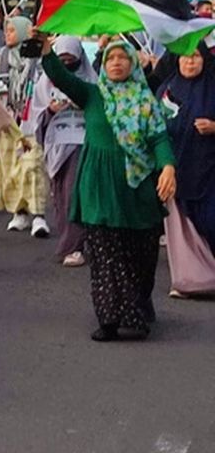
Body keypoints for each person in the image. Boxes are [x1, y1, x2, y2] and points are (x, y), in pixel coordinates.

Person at [39, 34, 175, 340]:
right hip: (98, 187)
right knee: (104, 254)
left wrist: (168, 166)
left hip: (137, 188)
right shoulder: (93, 95)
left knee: (141, 253)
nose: (116, 63)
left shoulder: (146, 102)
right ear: (103, 64)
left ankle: (138, 304)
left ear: (133, 64)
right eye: (111, 58)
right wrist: (47, 50)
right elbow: (60, 76)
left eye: (122, 58)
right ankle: (112, 318)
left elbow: (159, 139)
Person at [157, 46, 215, 297]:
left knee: (211, 221)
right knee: (182, 229)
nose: (190, 62)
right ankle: (191, 281)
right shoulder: (166, 90)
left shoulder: (212, 87)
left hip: (209, 170)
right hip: (175, 169)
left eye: (196, 57)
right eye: (185, 57)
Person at [31, 37, 94, 266]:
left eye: (72, 60)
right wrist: (50, 110)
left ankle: (74, 245)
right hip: (56, 145)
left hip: (82, 145)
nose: (67, 63)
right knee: (60, 195)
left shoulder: (90, 80)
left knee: (75, 193)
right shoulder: (44, 83)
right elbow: (36, 114)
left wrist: (84, 104)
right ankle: (72, 240)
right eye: (62, 60)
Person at [0, 16, 49, 237]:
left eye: (12, 30)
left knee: (32, 166)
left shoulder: (38, 58)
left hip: (31, 121)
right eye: (6, 30)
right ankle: (20, 212)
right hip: (8, 121)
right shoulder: (2, 57)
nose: (7, 34)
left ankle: (39, 215)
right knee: (11, 170)